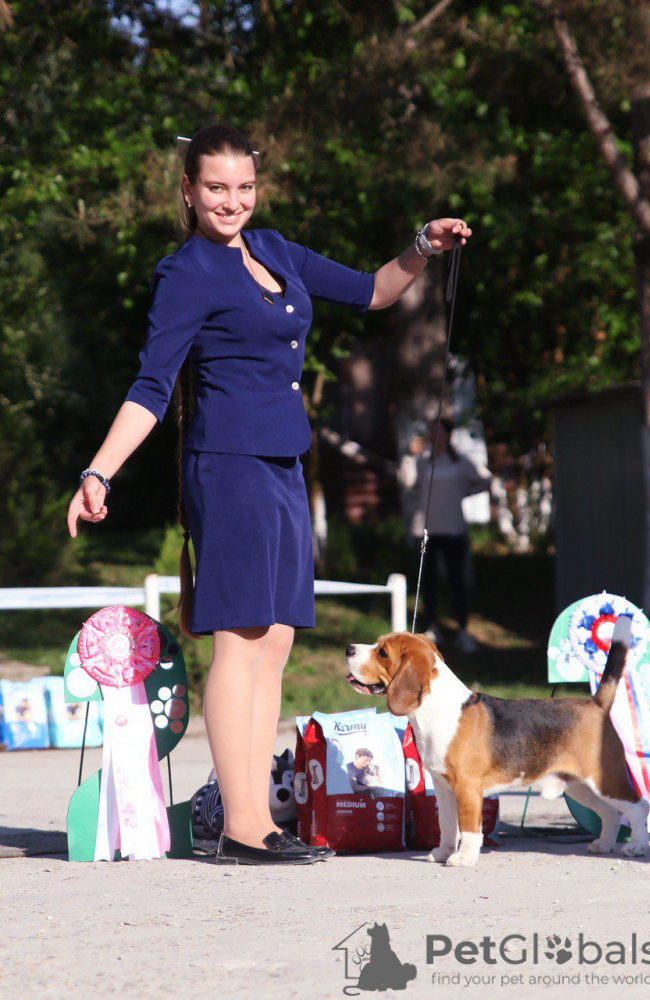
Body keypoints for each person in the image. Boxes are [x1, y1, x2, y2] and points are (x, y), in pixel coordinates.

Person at [66, 122, 473, 866]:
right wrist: (99, 472)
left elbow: (374, 290)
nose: (232, 201)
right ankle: (243, 824)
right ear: (188, 190)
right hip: (228, 468)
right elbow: (152, 386)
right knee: (240, 637)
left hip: (285, 465)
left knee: (278, 639)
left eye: (244, 187)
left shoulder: (278, 250)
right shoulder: (185, 273)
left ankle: (256, 815)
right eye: (216, 188)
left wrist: (424, 245)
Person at [402, 417, 491, 653]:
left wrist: (463, 492)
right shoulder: (422, 462)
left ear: (448, 435)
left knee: (456, 581)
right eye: (432, 432)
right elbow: (408, 482)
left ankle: (462, 630)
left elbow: (485, 480)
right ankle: (432, 627)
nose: (435, 436)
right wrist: (409, 456)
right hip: (426, 530)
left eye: (439, 431)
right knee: (428, 581)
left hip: (453, 530)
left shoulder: (460, 461)